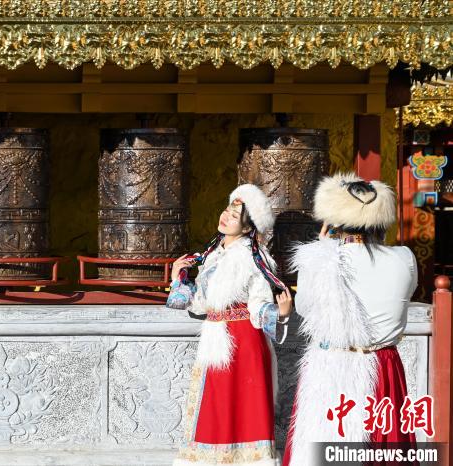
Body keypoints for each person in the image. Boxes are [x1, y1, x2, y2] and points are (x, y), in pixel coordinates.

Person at [282, 173, 418, 466]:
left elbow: (305, 308)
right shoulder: (405, 257)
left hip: (332, 364)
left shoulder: (319, 259)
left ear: (334, 220)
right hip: (382, 364)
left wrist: (320, 250)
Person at [167, 184, 293, 466]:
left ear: (248, 228)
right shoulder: (213, 255)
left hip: (243, 342)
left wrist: (279, 312)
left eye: (234, 216)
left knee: (243, 408)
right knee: (214, 407)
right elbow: (199, 305)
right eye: (226, 210)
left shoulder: (253, 259)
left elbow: (258, 304)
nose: (225, 217)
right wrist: (179, 278)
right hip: (215, 338)